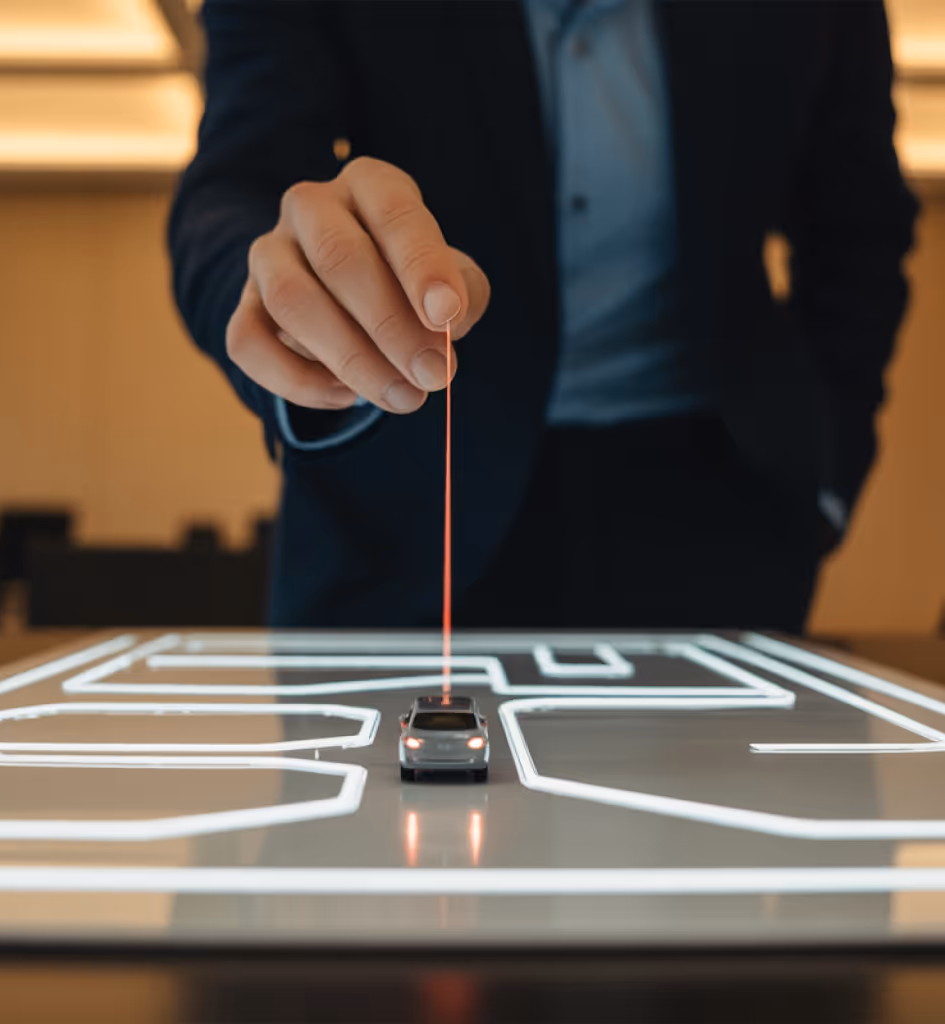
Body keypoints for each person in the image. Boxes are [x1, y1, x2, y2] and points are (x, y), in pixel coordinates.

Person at [169, 0, 918, 632]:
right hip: (401, 519)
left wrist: (828, 477)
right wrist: (285, 291)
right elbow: (232, 189)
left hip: (715, 510)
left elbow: (859, 228)